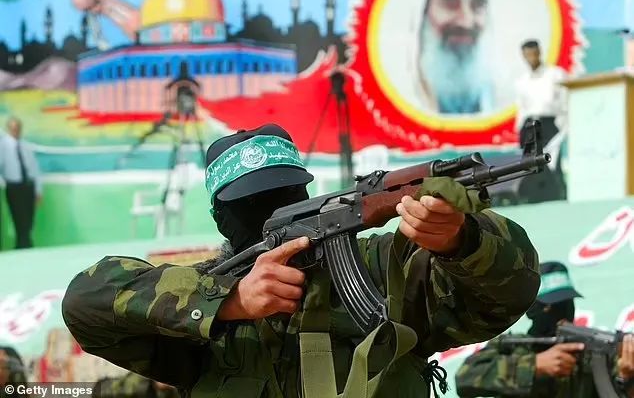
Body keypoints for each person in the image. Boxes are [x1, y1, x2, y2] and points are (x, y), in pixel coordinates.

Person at [62, 123, 541, 398]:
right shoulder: (198, 302)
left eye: (286, 194)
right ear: (220, 218)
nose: (268, 211)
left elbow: (508, 292)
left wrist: (461, 239)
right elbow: (86, 300)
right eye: (250, 203)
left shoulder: (379, 267)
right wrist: (230, 300)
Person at [455, 261, 634, 397]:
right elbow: (464, 379)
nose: (562, 313)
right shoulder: (511, 347)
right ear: (533, 309)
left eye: (567, 303)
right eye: (551, 306)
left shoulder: (593, 353)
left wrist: (626, 378)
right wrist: (535, 365)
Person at [416, 0, 494, 114]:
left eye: (478, 6)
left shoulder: (508, 95)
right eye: (450, 5)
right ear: (424, 14)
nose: (466, 22)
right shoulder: (401, 90)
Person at [515, 40, 568, 146]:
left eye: (534, 53)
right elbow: (521, 108)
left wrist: (561, 127)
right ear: (524, 56)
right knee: (529, 156)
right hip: (529, 127)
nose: (532, 58)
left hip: (550, 125)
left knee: (550, 156)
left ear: (540, 52)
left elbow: (565, 102)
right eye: (528, 55)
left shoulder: (556, 74)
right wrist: (520, 129)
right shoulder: (522, 81)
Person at [0, 117, 42, 249]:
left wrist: (38, 190)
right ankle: (24, 247)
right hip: (14, 187)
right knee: (19, 218)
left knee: (29, 219)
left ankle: (24, 246)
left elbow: (34, 169)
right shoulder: (2, 146)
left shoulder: (25, 146)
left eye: (18, 127)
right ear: (8, 129)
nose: (16, 130)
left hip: (28, 186)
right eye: (13, 128)